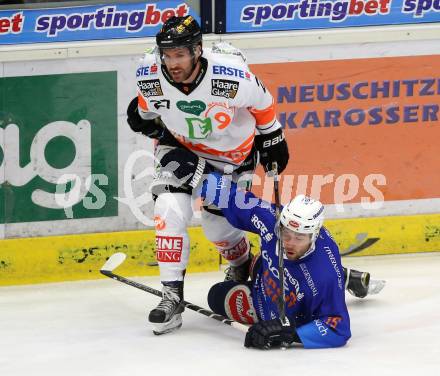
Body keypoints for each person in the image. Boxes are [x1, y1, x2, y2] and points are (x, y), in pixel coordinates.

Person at [126, 15, 289, 335]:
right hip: (181, 148)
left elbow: (264, 104)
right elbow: (148, 109)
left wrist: (273, 138)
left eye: (180, 55)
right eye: (168, 55)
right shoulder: (150, 71)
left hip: (232, 157)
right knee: (168, 208)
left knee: (218, 227)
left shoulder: (229, 76)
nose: (172, 63)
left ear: (197, 51)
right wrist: (141, 115)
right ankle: (171, 296)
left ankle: (241, 264)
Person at [197, 171, 384, 349]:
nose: (289, 243)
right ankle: (343, 274)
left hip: (289, 311)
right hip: (266, 277)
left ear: (313, 236)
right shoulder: (271, 219)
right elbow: (234, 198)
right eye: (286, 234)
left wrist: (291, 333)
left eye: (299, 238)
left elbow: (338, 327)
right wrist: (198, 175)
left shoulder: (324, 276)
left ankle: (341, 276)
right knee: (218, 293)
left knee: (216, 297)